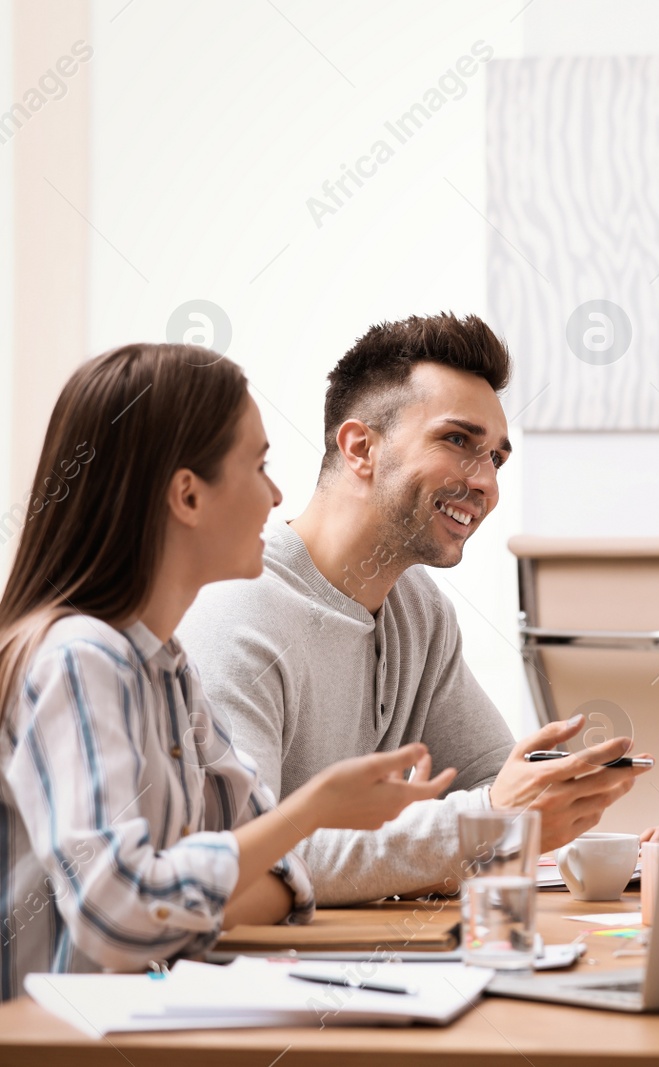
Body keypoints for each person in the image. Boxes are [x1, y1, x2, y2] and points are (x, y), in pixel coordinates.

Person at [0, 344, 452, 1000]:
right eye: (259, 464)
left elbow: (283, 875)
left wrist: (195, 890)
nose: (276, 494)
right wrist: (310, 811)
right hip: (57, 1043)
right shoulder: (77, 660)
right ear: (187, 493)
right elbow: (118, 921)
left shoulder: (168, 668)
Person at [178, 313, 649, 906]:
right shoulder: (237, 615)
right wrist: (489, 823)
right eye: (457, 441)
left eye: (497, 459)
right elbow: (244, 857)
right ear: (360, 447)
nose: (486, 484)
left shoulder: (418, 611)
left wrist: (603, 845)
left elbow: (491, 787)